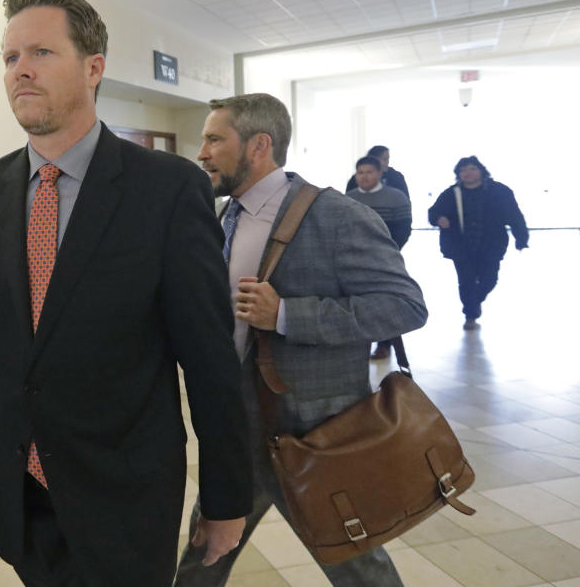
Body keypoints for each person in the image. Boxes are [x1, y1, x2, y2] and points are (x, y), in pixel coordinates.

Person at [0, 0, 252, 587]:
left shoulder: (167, 190)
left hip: (123, 495)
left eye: (41, 53)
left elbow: (207, 357)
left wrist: (226, 497)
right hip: (15, 493)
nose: (21, 70)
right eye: (11, 57)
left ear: (93, 67)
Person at [175, 93, 427, 587]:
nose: (202, 152)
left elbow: (405, 305)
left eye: (213, 139)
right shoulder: (225, 213)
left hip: (315, 435)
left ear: (258, 145)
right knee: (204, 552)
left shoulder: (336, 216)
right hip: (238, 428)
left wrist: (288, 313)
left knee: (357, 566)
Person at [428, 155, 528, 330]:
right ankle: (470, 314)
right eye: (463, 170)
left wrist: (521, 238)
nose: (468, 173)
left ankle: (474, 302)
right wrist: (439, 218)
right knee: (466, 280)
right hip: (460, 246)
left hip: (491, 244)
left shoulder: (499, 191)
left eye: (472, 169)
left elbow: (514, 215)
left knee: (490, 279)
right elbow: (434, 212)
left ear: (482, 171)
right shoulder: (452, 193)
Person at [346, 155, 413, 359]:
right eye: (360, 172)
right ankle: (360, 343)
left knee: (387, 303)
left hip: (386, 261)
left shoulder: (396, 197)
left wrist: (387, 252)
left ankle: (386, 344)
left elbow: (403, 230)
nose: (364, 177)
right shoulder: (347, 199)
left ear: (380, 173)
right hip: (353, 260)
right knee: (359, 302)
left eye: (369, 172)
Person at [345, 145, 409, 198]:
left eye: (387, 159)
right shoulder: (356, 179)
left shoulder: (396, 176)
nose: (387, 162)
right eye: (384, 159)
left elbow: (405, 200)